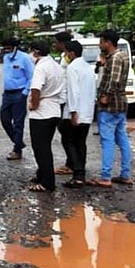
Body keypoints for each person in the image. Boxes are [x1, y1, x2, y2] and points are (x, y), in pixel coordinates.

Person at [90, 29, 132, 187]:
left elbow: (113, 80)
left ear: (108, 42)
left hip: (110, 104)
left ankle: (106, 176)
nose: (100, 45)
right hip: (121, 103)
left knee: (107, 140)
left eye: (101, 42)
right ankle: (125, 174)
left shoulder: (115, 58)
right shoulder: (122, 56)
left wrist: (105, 95)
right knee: (122, 139)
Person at [27, 40, 66, 192]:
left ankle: (47, 182)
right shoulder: (55, 65)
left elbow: (36, 89)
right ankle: (42, 174)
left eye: (31, 51)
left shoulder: (40, 67)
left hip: (41, 113)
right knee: (45, 146)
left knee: (40, 148)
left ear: (35, 52)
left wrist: (34, 104)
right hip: (54, 110)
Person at [61, 40, 96, 188]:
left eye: (66, 53)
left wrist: (73, 111)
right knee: (80, 143)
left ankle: (78, 174)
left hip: (75, 112)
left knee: (68, 141)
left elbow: (73, 91)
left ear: (71, 53)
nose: (65, 56)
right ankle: (81, 172)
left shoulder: (72, 68)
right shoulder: (88, 67)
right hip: (87, 111)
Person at [0, 37, 34, 161]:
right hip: (7, 94)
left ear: (15, 47)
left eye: (9, 48)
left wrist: (25, 92)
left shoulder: (24, 58)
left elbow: (31, 76)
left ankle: (17, 150)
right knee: (4, 120)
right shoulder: (5, 58)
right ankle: (18, 142)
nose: (7, 50)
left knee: (18, 123)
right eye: (5, 48)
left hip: (19, 93)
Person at [52, 30, 75, 175]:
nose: (55, 44)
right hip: (64, 99)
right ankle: (71, 162)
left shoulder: (68, 58)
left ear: (62, 43)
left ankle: (72, 164)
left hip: (66, 100)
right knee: (66, 134)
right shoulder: (64, 57)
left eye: (56, 42)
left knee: (67, 135)